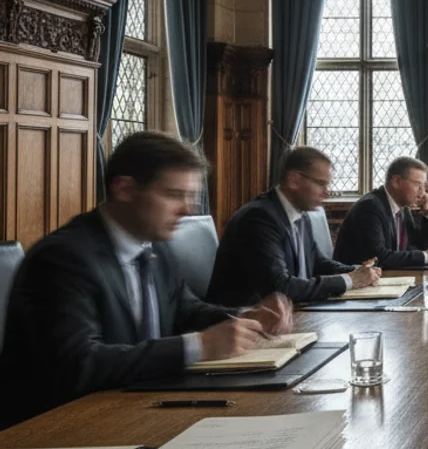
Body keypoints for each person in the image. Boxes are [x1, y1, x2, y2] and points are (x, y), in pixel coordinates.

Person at [0, 132, 292, 429]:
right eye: (174, 195)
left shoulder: (152, 245)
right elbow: (79, 363)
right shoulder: (63, 258)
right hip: (61, 428)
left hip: (136, 412)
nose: (188, 210)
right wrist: (198, 347)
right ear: (124, 189)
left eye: (192, 197)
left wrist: (245, 317)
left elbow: (185, 310)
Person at [206, 147, 381, 306]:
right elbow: (280, 287)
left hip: (290, 316)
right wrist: (349, 280)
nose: (327, 192)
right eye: (321, 183)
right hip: (243, 325)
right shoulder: (259, 218)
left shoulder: (299, 213)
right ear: (294, 180)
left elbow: (317, 262)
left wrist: (357, 270)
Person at [334, 156, 428, 269]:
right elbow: (378, 257)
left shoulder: (402, 208)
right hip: (357, 282)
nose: (423, 192)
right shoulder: (369, 207)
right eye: (417, 185)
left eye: (424, 187)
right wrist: (426, 256)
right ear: (396, 181)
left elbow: (420, 247)